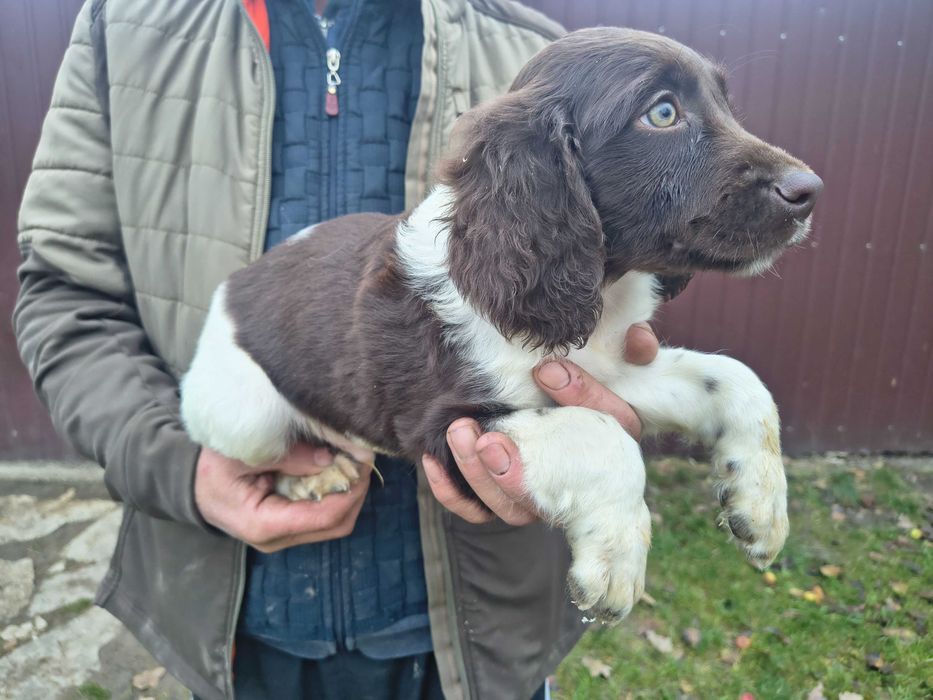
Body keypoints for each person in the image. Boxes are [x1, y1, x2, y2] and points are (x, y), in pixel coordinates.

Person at [13, 0, 660, 698]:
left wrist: (598, 393)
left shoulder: (541, 57)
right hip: (240, 621)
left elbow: (599, 285)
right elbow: (66, 293)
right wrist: (179, 466)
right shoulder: (126, 27)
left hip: (476, 633)